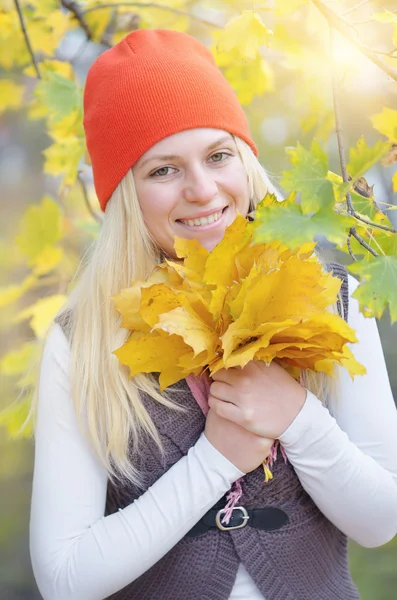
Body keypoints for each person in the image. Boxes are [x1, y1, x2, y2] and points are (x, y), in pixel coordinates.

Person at [29, 29, 397, 600]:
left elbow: (382, 520)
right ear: (126, 194)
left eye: (218, 155)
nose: (203, 190)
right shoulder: (84, 342)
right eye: (163, 170)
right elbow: (64, 579)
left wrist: (299, 417)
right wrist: (213, 461)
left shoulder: (332, 295)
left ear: (245, 161)